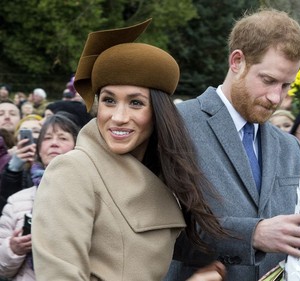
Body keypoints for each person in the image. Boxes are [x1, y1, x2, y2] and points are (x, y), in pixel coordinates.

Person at [32, 19, 227, 281]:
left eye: (135, 103)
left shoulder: (164, 175)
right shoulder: (72, 171)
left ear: (159, 113)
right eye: (109, 101)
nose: (119, 116)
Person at [165, 9, 300, 281]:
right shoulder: (177, 124)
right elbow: (162, 232)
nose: (276, 97)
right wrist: (253, 235)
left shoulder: (290, 147)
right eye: (268, 80)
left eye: (286, 85)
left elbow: (289, 246)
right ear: (237, 61)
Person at [0, 113, 80, 281]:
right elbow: (2, 269)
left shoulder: (94, 193)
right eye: (47, 138)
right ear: (38, 149)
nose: (54, 143)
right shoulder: (16, 201)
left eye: (63, 138)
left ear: (77, 146)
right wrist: (14, 248)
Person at [0, 114, 43, 212]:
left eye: (36, 131)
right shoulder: (8, 165)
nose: (30, 135)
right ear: (16, 139)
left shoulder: (51, 161)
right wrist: (13, 171)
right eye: (24, 132)